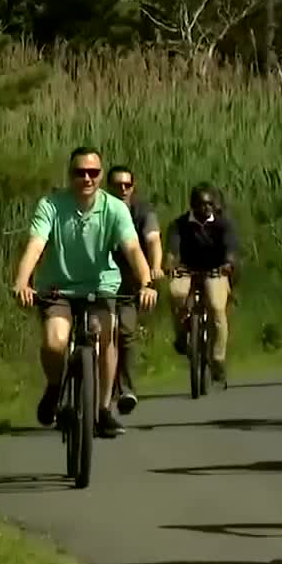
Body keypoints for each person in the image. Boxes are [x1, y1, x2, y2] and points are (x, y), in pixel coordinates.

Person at [12, 147, 159, 438]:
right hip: (59, 287)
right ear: (70, 175)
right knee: (55, 343)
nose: (87, 178)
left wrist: (146, 282)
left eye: (93, 173)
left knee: (106, 334)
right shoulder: (52, 205)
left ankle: (103, 409)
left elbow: (132, 248)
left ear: (101, 176)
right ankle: (55, 387)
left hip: (100, 285)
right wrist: (22, 281)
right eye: (81, 173)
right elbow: (36, 245)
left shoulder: (114, 208)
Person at [105, 165, 164, 415]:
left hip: (129, 284)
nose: (123, 190)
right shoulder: (100, 210)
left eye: (127, 185)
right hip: (98, 282)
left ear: (133, 187)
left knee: (126, 333)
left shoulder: (142, 212)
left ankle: (126, 389)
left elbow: (152, 240)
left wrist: (155, 268)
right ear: (108, 187)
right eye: (117, 185)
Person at [165, 183, 238, 384]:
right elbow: (172, 248)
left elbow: (230, 247)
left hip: (216, 270)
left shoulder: (224, 224)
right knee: (176, 293)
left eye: (209, 204)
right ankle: (181, 334)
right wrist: (170, 263)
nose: (206, 208)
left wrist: (228, 263)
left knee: (216, 307)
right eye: (201, 204)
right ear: (192, 205)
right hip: (187, 268)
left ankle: (218, 358)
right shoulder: (180, 224)